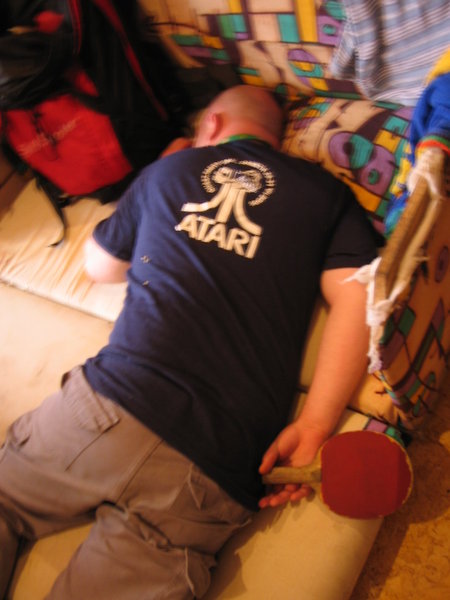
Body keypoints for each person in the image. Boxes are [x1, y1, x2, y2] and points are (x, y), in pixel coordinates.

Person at [0, 85, 378, 599]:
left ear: (212, 125)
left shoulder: (168, 172)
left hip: (108, 406)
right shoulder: (326, 194)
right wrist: (315, 423)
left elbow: (99, 267)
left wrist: (161, 179)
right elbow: (358, 298)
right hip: (212, 461)